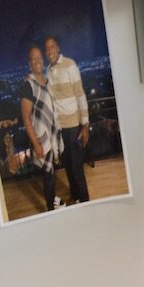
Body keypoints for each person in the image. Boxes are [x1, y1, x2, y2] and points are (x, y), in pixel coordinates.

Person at [13, 44, 62, 211]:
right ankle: (50, 208)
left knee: (51, 172)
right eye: (34, 59)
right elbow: (26, 118)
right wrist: (36, 143)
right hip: (41, 138)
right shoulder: (28, 86)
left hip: (51, 134)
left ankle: (52, 199)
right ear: (29, 63)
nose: (38, 61)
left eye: (40, 58)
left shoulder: (47, 81)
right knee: (48, 174)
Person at [44, 35, 90, 204]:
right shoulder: (48, 71)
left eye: (52, 47)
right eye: (47, 48)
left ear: (58, 48)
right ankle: (75, 196)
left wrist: (85, 124)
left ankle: (85, 200)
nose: (49, 50)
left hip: (73, 125)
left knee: (77, 167)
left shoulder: (70, 65)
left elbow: (80, 93)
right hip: (59, 127)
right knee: (68, 166)